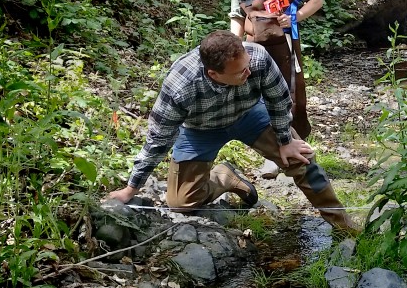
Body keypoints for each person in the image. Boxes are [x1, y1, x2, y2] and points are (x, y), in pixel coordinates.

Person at [107, 30, 355, 232]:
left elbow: (279, 101)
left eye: (247, 66)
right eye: (240, 72)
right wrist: (132, 188)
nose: (249, 72)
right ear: (213, 73)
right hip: (200, 130)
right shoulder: (181, 86)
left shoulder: (256, 57)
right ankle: (224, 177)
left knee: (301, 159)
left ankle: (343, 225)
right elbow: (158, 139)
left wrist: (284, 140)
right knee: (180, 203)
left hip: (250, 116)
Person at [228, 0, 322, 141]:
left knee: (293, 92)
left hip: (287, 42)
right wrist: (234, 48)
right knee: (258, 95)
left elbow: (316, 0)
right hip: (253, 45)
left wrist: (295, 17)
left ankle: (295, 141)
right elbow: (236, 16)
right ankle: (269, 148)